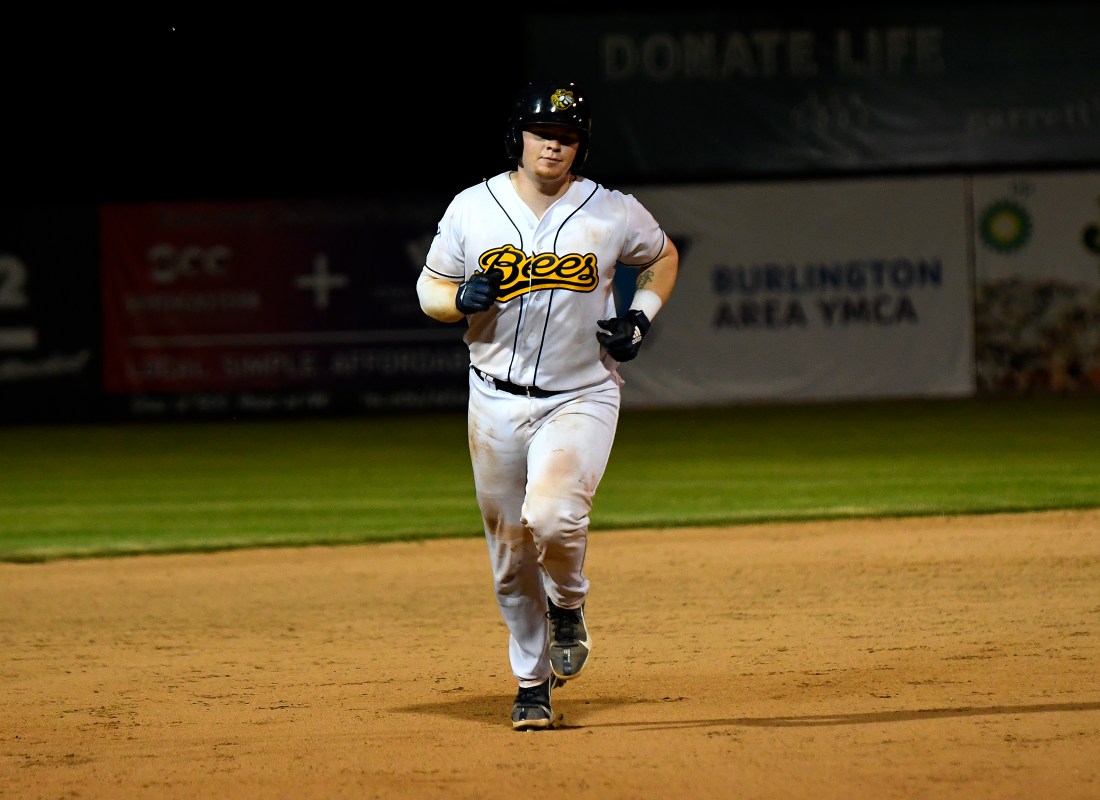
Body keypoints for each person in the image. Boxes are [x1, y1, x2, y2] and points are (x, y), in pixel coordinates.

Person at [415, 80, 679, 731]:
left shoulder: (611, 210)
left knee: (554, 516)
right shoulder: (473, 207)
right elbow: (430, 288)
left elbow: (662, 256)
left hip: (581, 393)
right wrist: (458, 301)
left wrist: (641, 316)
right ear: (520, 137)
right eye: (543, 134)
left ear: (580, 146)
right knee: (510, 558)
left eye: (567, 137)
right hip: (493, 401)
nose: (554, 146)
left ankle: (567, 604)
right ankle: (532, 685)